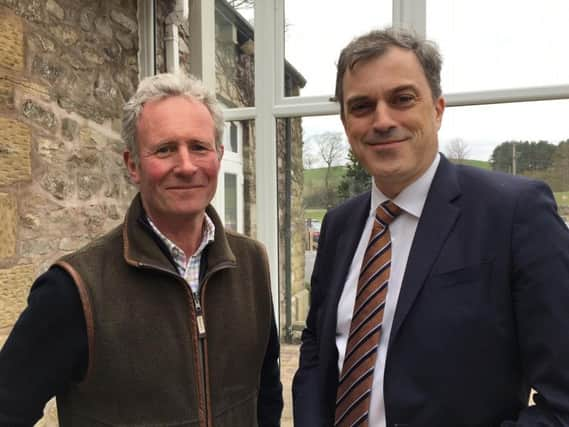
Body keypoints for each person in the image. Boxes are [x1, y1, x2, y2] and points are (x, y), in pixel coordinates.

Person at [293, 27, 569, 427]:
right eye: (361, 106)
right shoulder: (340, 225)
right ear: (345, 122)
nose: (382, 120)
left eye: (402, 99)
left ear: (437, 109)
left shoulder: (514, 214)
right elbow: (319, 346)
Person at [0, 71, 283, 426]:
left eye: (199, 147)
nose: (185, 165)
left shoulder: (251, 263)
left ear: (219, 155)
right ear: (132, 165)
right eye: (164, 149)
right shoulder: (75, 289)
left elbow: (266, 392)